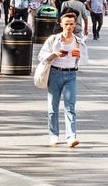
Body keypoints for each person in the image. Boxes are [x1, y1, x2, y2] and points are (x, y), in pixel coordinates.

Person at [39, 9, 91, 146]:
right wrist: (55, 54)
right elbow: (41, 56)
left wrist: (79, 56)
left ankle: (71, 136)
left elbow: (85, 60)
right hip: (55, 73)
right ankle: (54, 135)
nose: (69, 26)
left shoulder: (78, 41)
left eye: (72, 24)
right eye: (66, 24)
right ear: (61, 24)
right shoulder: (53, 39)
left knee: (70, 106)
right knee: (52, 106)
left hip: (70, 74)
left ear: (75, 25)